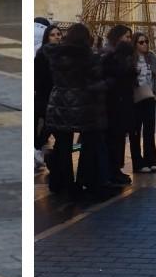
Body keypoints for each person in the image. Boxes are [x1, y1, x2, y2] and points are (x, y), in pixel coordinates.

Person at [45, 23, 112, 200]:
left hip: (59, 103)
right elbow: (94, 81)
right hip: (83, 104)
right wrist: (105, 85)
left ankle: (63, 183)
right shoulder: (89, 58)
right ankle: (86, 180)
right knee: (88, 145)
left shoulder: (56, 55)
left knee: (63, 146)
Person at [101, 25, 136, 185]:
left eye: (130, 37)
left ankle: (116, 168)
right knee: (113, 138)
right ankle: (111, 169)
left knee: (120, 138)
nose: (129, 40)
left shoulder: (127, 55)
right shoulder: (110, 55)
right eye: (126, 37)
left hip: (123, 103)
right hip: (113, 105)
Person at [129, 32, 156, 173]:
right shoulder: (130, 60)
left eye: (146, 41)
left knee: (149, 130)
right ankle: (138, 162)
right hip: (135, 99)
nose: (145, 44)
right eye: (141, 42)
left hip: (149, 96)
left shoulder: (151, 58)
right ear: (135, 44)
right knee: (135, 131)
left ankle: (151, 160)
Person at [35, 22, 61, 169]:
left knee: (53, 129)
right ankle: (38, 151)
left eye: (58, 34)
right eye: (52, 35)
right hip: (46, 98)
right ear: (47, 37)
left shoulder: (62, 54)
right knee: (49, 127)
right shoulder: (42, 55)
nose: (56, 37)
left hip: (58, 99)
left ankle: (44, 155)